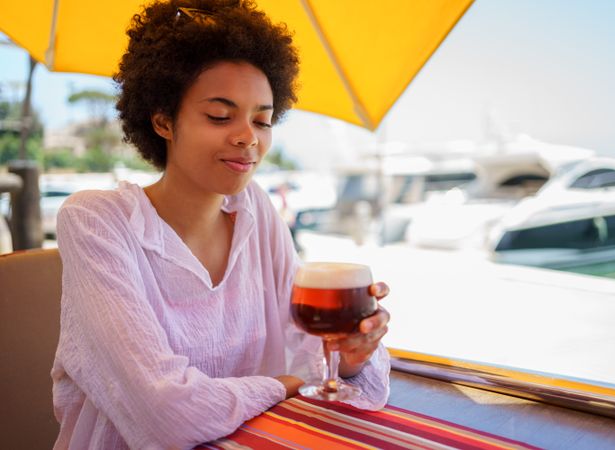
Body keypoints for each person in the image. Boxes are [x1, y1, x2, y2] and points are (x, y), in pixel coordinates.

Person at [51, 1, 391, 449]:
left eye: (262, 120)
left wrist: (347, 360)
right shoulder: (96, 222)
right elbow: (165, 415)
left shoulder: (256, 211)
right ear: (163, 120)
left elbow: (309, 352)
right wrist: (285, 385)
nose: (248, 137)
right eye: (219, 116)